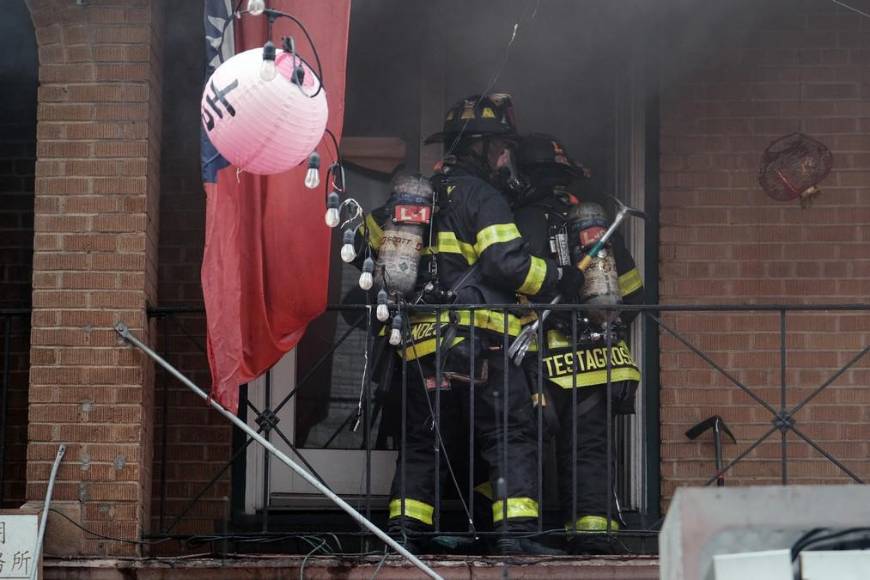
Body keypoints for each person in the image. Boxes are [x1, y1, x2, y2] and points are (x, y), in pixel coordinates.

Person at [385, 95, 584, 555]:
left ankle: (404, 533)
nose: (504, 158)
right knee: (511, 434)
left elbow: (377, 245)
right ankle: (517, 536)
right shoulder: (482, 195)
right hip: (481, 342)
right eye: (499, 147)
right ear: (480, 147)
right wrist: (558, 278)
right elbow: (506, 263)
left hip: (421, 346)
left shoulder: (417, 198)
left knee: (423, 441)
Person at [513, 133, 644, 554]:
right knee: (589, 445)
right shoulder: (596, 224)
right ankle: (592, 531)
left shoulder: (519, 218)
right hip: (597, 357)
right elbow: (635, 294)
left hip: (538, 360)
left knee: (524, 444)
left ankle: (523, 535)